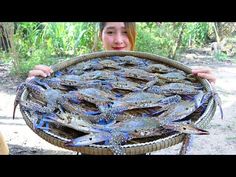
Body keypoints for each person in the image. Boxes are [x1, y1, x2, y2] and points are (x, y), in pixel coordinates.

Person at [27, 22, 216, 84]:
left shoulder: (153, 71)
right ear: (100, 35)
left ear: (134, 35)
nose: (118, 40)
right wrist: (37, 84)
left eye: (125, 32)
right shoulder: (77, 71)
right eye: (110, 32)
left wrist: (201, 85)